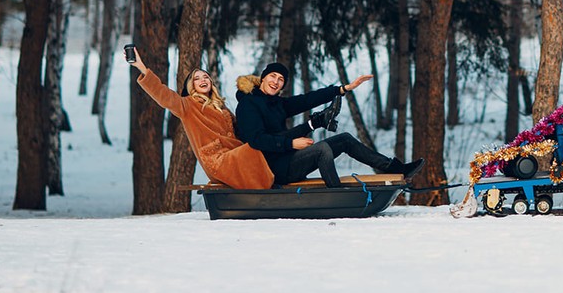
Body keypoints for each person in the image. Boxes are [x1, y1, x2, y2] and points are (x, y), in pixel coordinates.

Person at [234, 62, 424, 187]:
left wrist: (342, 89)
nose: (276, 81)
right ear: (263, 78)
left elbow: (307, 99)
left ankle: (394, 168)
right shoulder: (248, 105)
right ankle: (336, 194)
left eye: (281, 79)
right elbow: (255, 140)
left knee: (345, 140)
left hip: (287, 159)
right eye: (273, 76)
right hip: (271, 169)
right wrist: (291, 144)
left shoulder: (277, 103)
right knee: (322, 149)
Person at [129, 48, 275, 190]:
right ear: (191, 85)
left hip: (234, 153)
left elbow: (242, 127)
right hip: (217, 160)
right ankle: (269, 188)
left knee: (261, 143)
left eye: (206, 77)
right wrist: (142, 67)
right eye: (197, 79)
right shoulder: (187, 105)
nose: (202, 80)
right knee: (252, 150)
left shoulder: (220, 105)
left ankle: (278, 181)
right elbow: (164, 95)